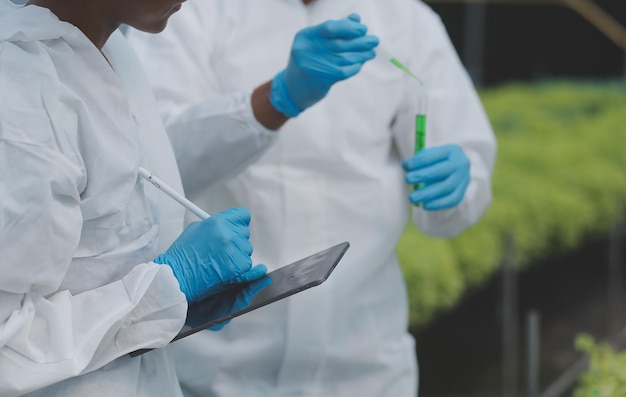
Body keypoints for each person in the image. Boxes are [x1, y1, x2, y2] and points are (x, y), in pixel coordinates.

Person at [127, 0, 497, 395]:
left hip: (367, 368)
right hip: (219, 370)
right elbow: (152, 155)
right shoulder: (194, 11)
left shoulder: (406, 19)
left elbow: (457, 177)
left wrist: (460, 184)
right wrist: (273, 100)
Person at [0, 0, 267, 396]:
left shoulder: (108, 49)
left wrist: (177, 303)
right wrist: (164, 289)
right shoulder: (19, 93)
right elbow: (8, 345)